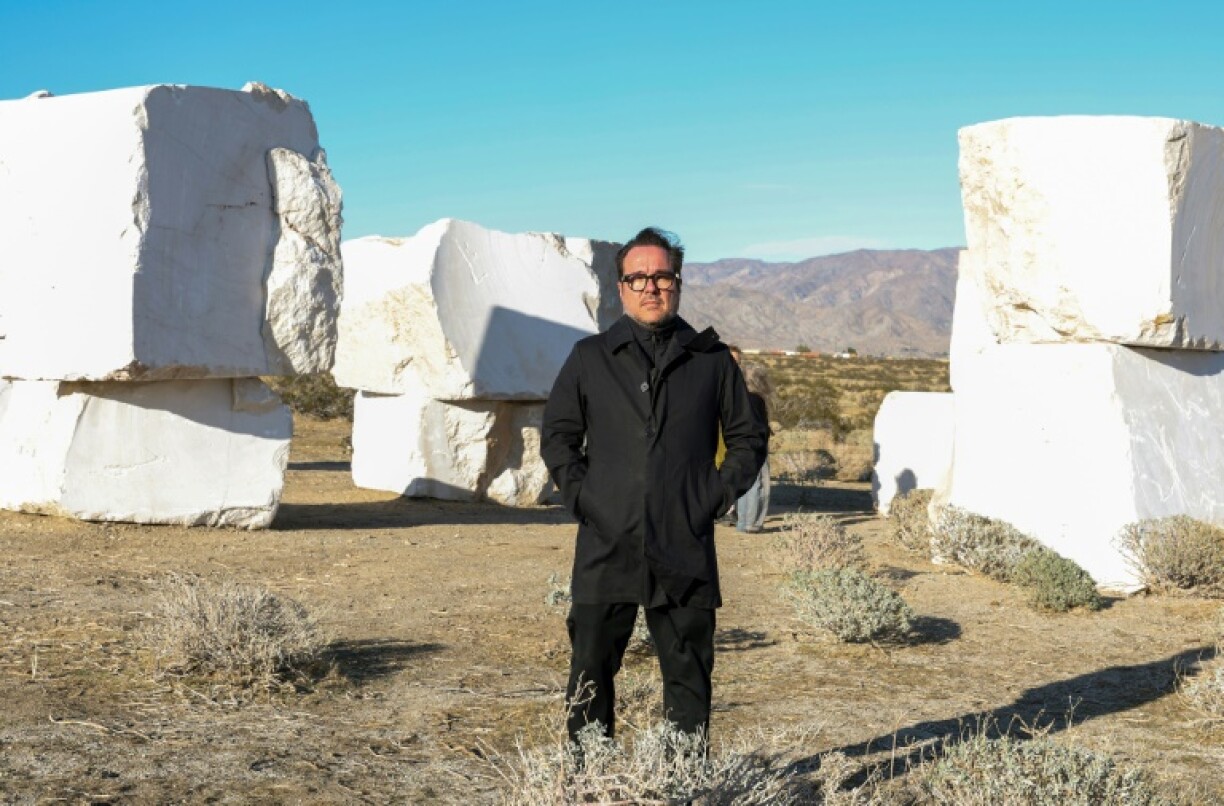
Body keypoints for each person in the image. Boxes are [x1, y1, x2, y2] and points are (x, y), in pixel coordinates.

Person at [541, 227, 768, 746]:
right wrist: (586, 499)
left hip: (683, 545)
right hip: (607, 543)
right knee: (589, 676)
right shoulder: (590, 357)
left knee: (689, 680)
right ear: (621, 287)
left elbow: (747, 438)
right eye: (637, 277)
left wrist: (712, 496)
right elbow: (558, 437)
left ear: (678, 282)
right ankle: (585, 782)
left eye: (661, 275)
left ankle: (685, 784)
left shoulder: (710, 361)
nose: (650, 287)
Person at [735, 364, 773, 533]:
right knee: (760, 484)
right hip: (756, 445)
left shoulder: (739, 398)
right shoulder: (757, 400)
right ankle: (753, 522)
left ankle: (742, 522)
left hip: (740, 444)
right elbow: (759, 425)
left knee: (745, 483)